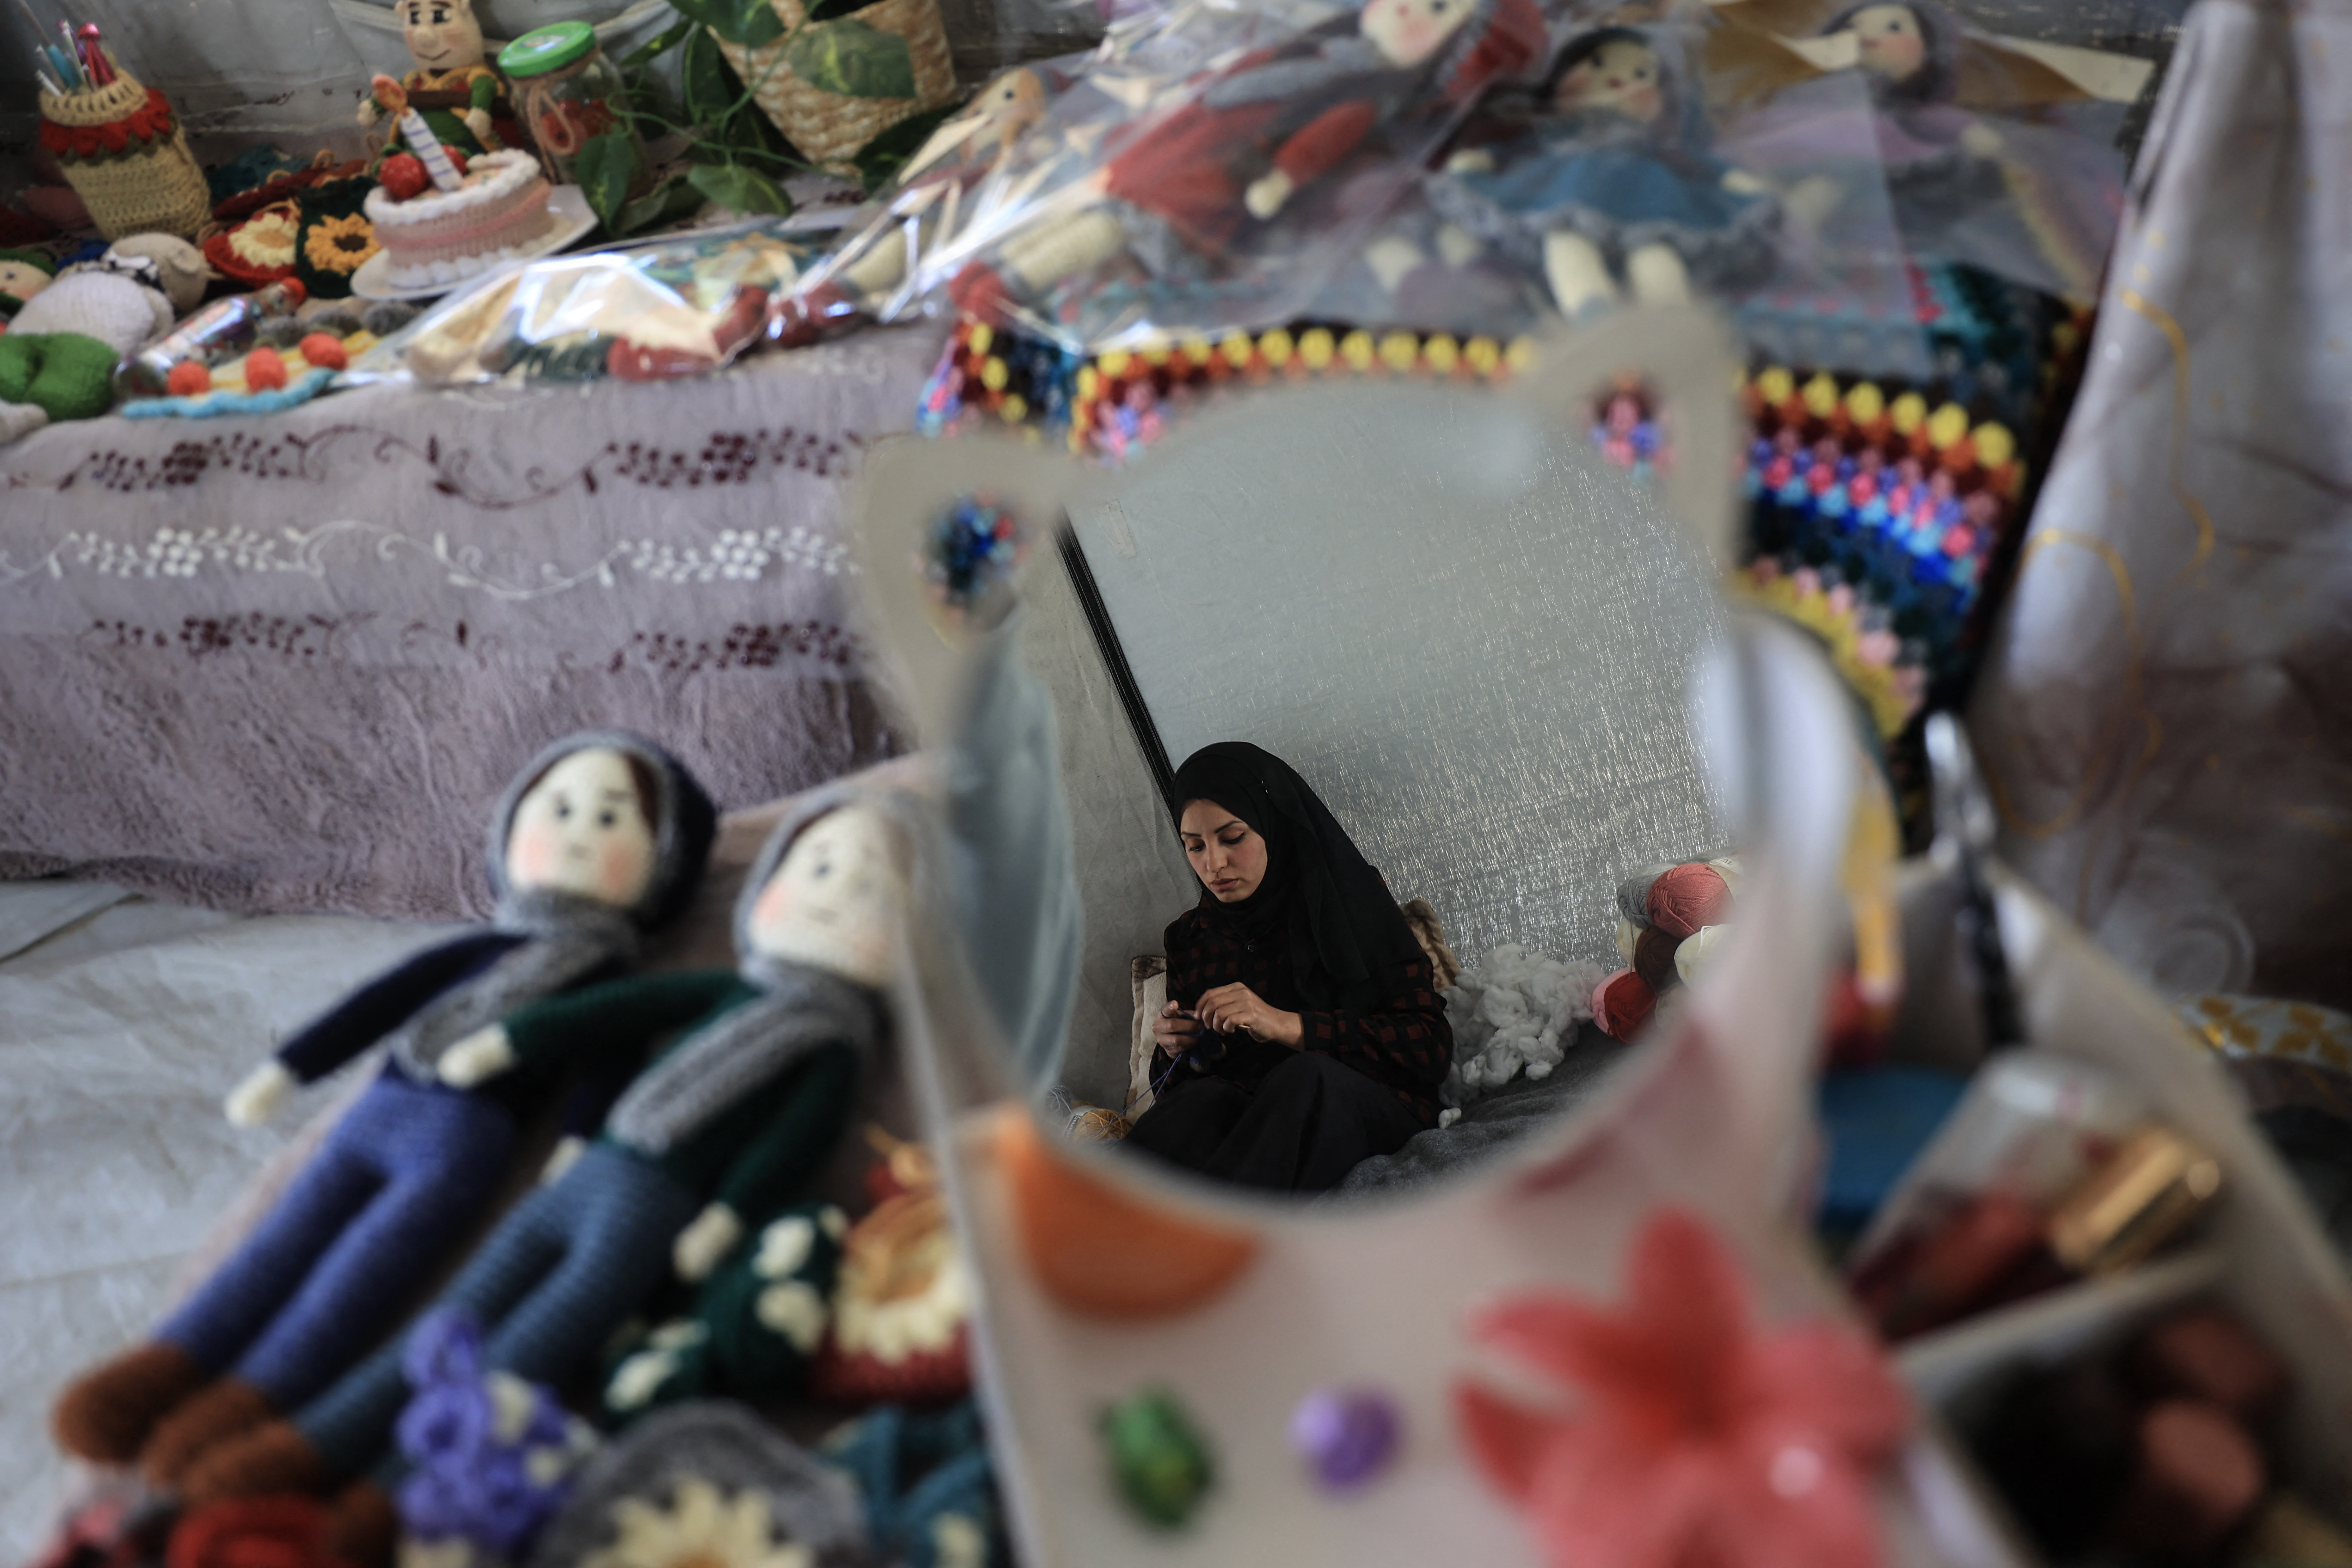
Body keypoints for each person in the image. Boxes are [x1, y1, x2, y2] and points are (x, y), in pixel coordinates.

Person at [1123, 742, 1452, 1192]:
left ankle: (1223, 1244)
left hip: (1368, 1101)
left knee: (1306, 1076)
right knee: (1201, 1101)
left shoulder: (1350, 902)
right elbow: (1180, 1093)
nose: (1213, 863)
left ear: (1272, 824)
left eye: (1233, 838)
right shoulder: (1191, 937)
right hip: (1258, 1119)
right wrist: (1181, 1050)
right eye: (1194, 846)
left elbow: (1428, 1047)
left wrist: (1287, 1025)